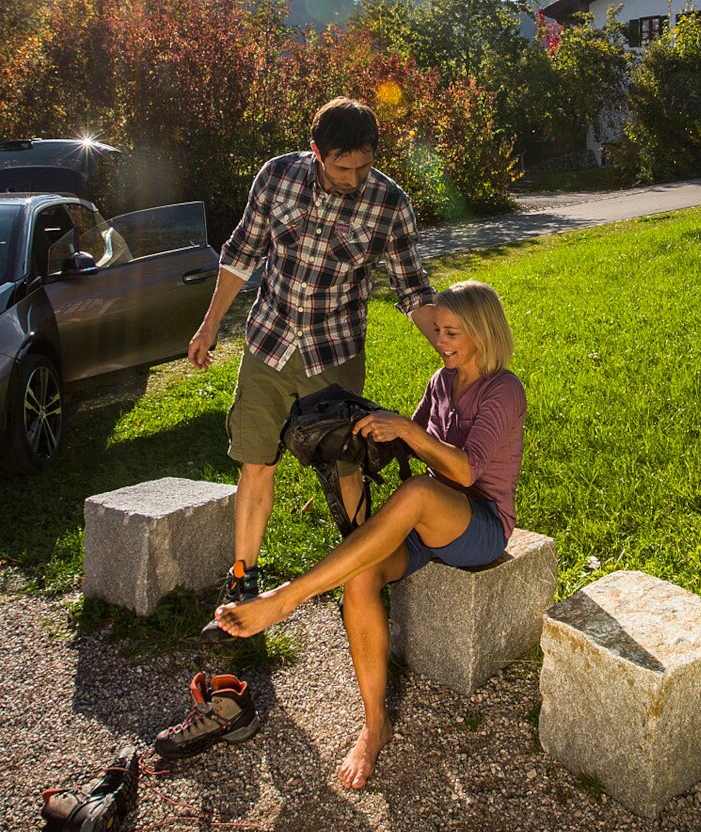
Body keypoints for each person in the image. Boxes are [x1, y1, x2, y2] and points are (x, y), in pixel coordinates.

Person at [216, 280, 525, 791]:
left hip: (482, 525)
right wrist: (365, 430)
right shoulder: (441, 381)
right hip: (429, 522)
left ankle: (287, 597)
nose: (440, 340)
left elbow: (466, 472)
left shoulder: (503, 389)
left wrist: (406, 429)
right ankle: (375, 723)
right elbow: (411, 448)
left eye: (451, 332)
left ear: (482, 332)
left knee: (420, 495)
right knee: (360, 577)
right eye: (438, 330)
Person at [187, 97, 441, 639]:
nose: (355, 178)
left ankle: (365, 570)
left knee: (347, 466)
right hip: (269, 344)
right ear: (316, 152)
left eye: (365, 166)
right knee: (256, 462)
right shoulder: (278, 178)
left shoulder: (389, 204)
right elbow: (241, 255)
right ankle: (242, 581)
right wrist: (209, 327)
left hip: (335, 354)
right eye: (342, 167)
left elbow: (412, 286)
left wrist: (446, 343)